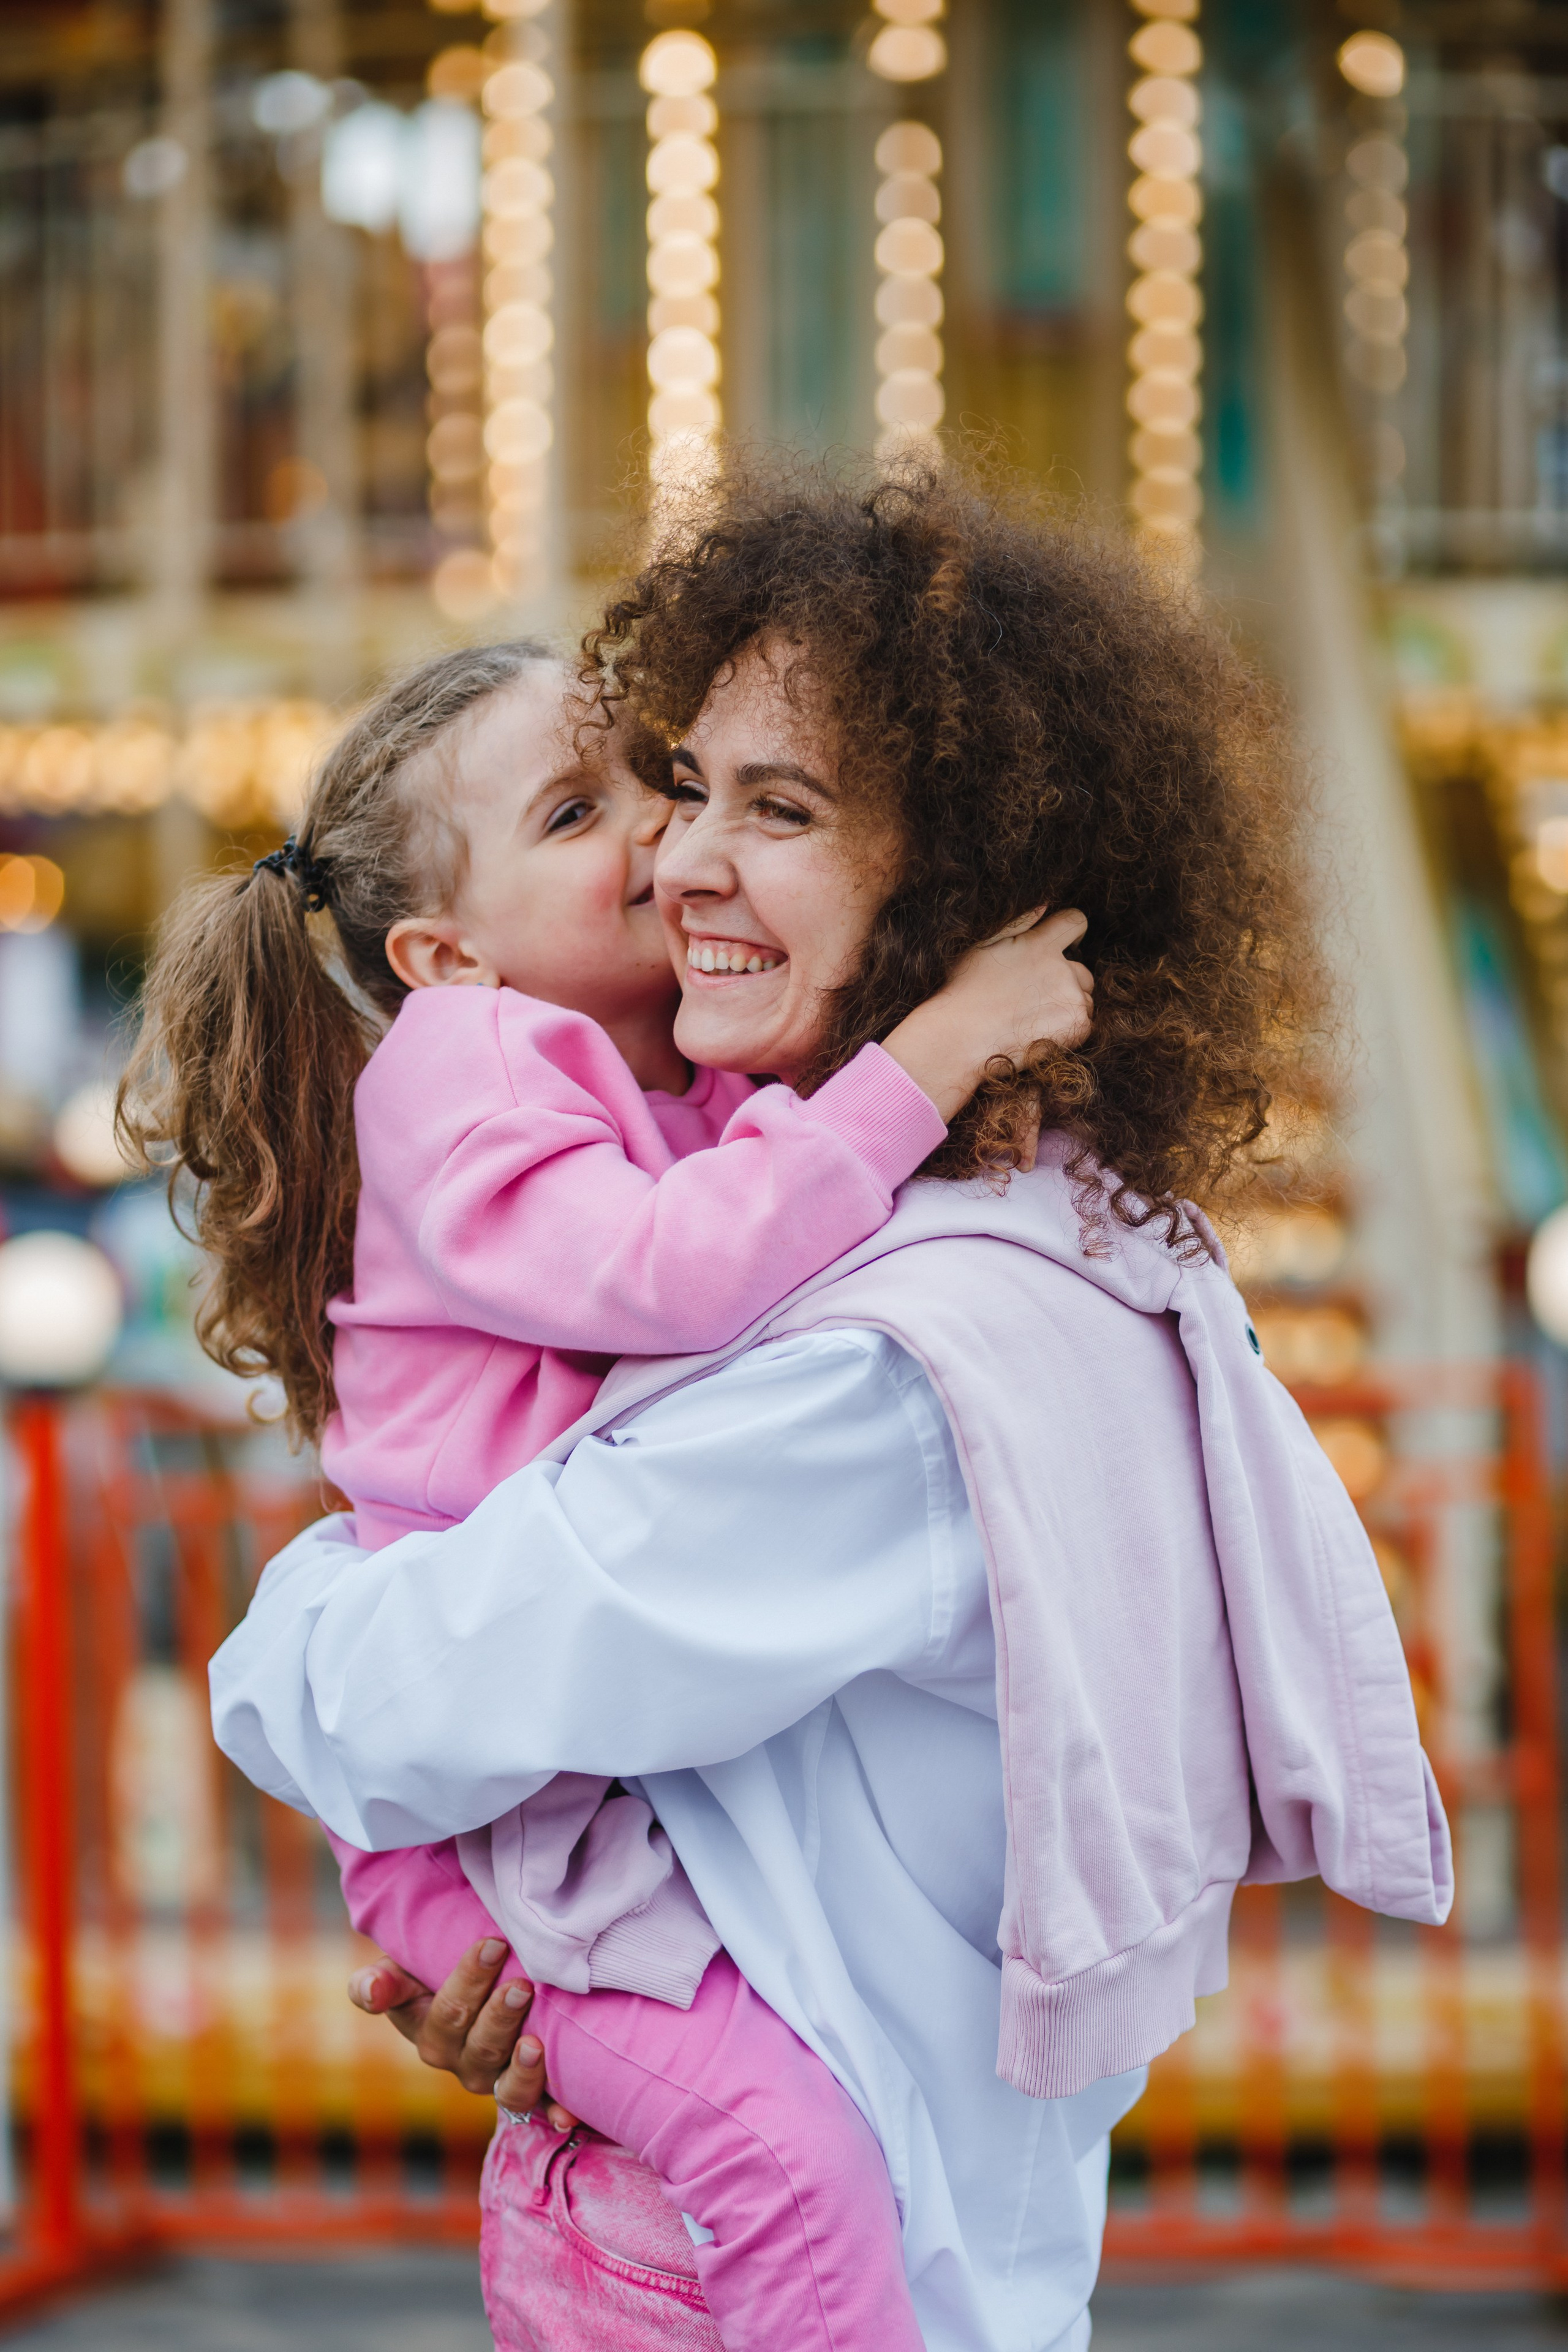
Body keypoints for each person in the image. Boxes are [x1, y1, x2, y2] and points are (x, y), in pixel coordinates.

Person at [210, 464, 1450, 2352]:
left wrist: (287, 1623)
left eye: (774, 811)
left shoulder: (888, 1370)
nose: (679, 858)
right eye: (675, 786)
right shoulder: (1045, 1227)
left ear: (947, 881)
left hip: (752, 2276)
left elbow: (384, 1699)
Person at [122, 638, 1095, 2352]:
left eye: (692, 789)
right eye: (595, 805)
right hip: (504, 1818)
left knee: (779, 2153)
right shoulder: (474, 1061)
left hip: (535, 1779)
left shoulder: (798, 1202)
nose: (661, 836)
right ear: (443, 955)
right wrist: (931, 1053)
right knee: (777, 2153)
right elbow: (670, 1274)